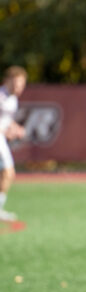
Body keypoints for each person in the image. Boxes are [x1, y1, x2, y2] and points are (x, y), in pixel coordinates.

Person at [0, 66, 27, 222]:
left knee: (6, 174)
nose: (19, 88)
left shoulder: (13, 100)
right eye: (16, 84)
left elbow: (6, 122)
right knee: (8, 172)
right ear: (8, 80)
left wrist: (16, 128)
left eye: (22, 85)